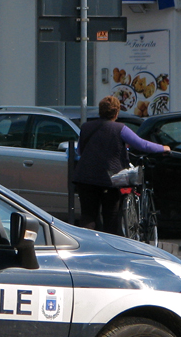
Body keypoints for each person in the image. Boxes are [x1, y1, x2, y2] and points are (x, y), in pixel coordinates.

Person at [73, 95, 171, 235]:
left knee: (88, 216)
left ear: (100, 111)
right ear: (117, 112)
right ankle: (110, 249)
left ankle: (86, 246)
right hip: (109, 179)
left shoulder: (86, 127)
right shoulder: (120, 129)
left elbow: (80, 151)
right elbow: (142, 144)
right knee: (111, 217)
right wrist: (163, 148)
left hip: (85, 178)